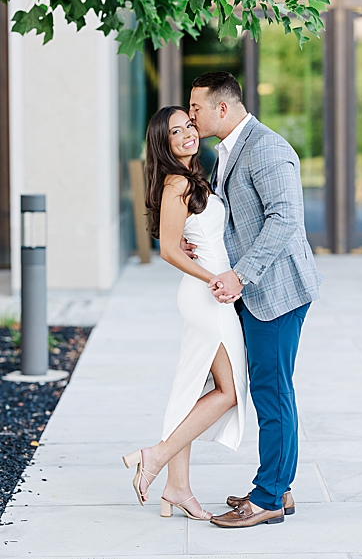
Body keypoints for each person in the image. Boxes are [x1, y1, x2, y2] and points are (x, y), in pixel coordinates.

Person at [187, 72, 322, 528]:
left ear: (222, 108)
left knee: (273, 393)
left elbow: (284, 220)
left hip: (277, 292)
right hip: (254, 290)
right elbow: (235, 220)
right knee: (267, 390)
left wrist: (240, 276)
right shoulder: (228, 149)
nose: (191, 117)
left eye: (196, 108)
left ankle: (267, 498)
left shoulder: (267, 148)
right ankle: (277, 489)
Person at [123, 105, 248, 521]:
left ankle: (176, 487)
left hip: (209, 290)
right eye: (176, 132)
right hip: (205, 295)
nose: (188, 134)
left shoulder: (193, 177)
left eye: (189, 125)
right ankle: (155, 457)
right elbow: (169, 250)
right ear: (165, 143)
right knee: (228, 391)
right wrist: (213, 277)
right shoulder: (177, 181)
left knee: (192, 387)